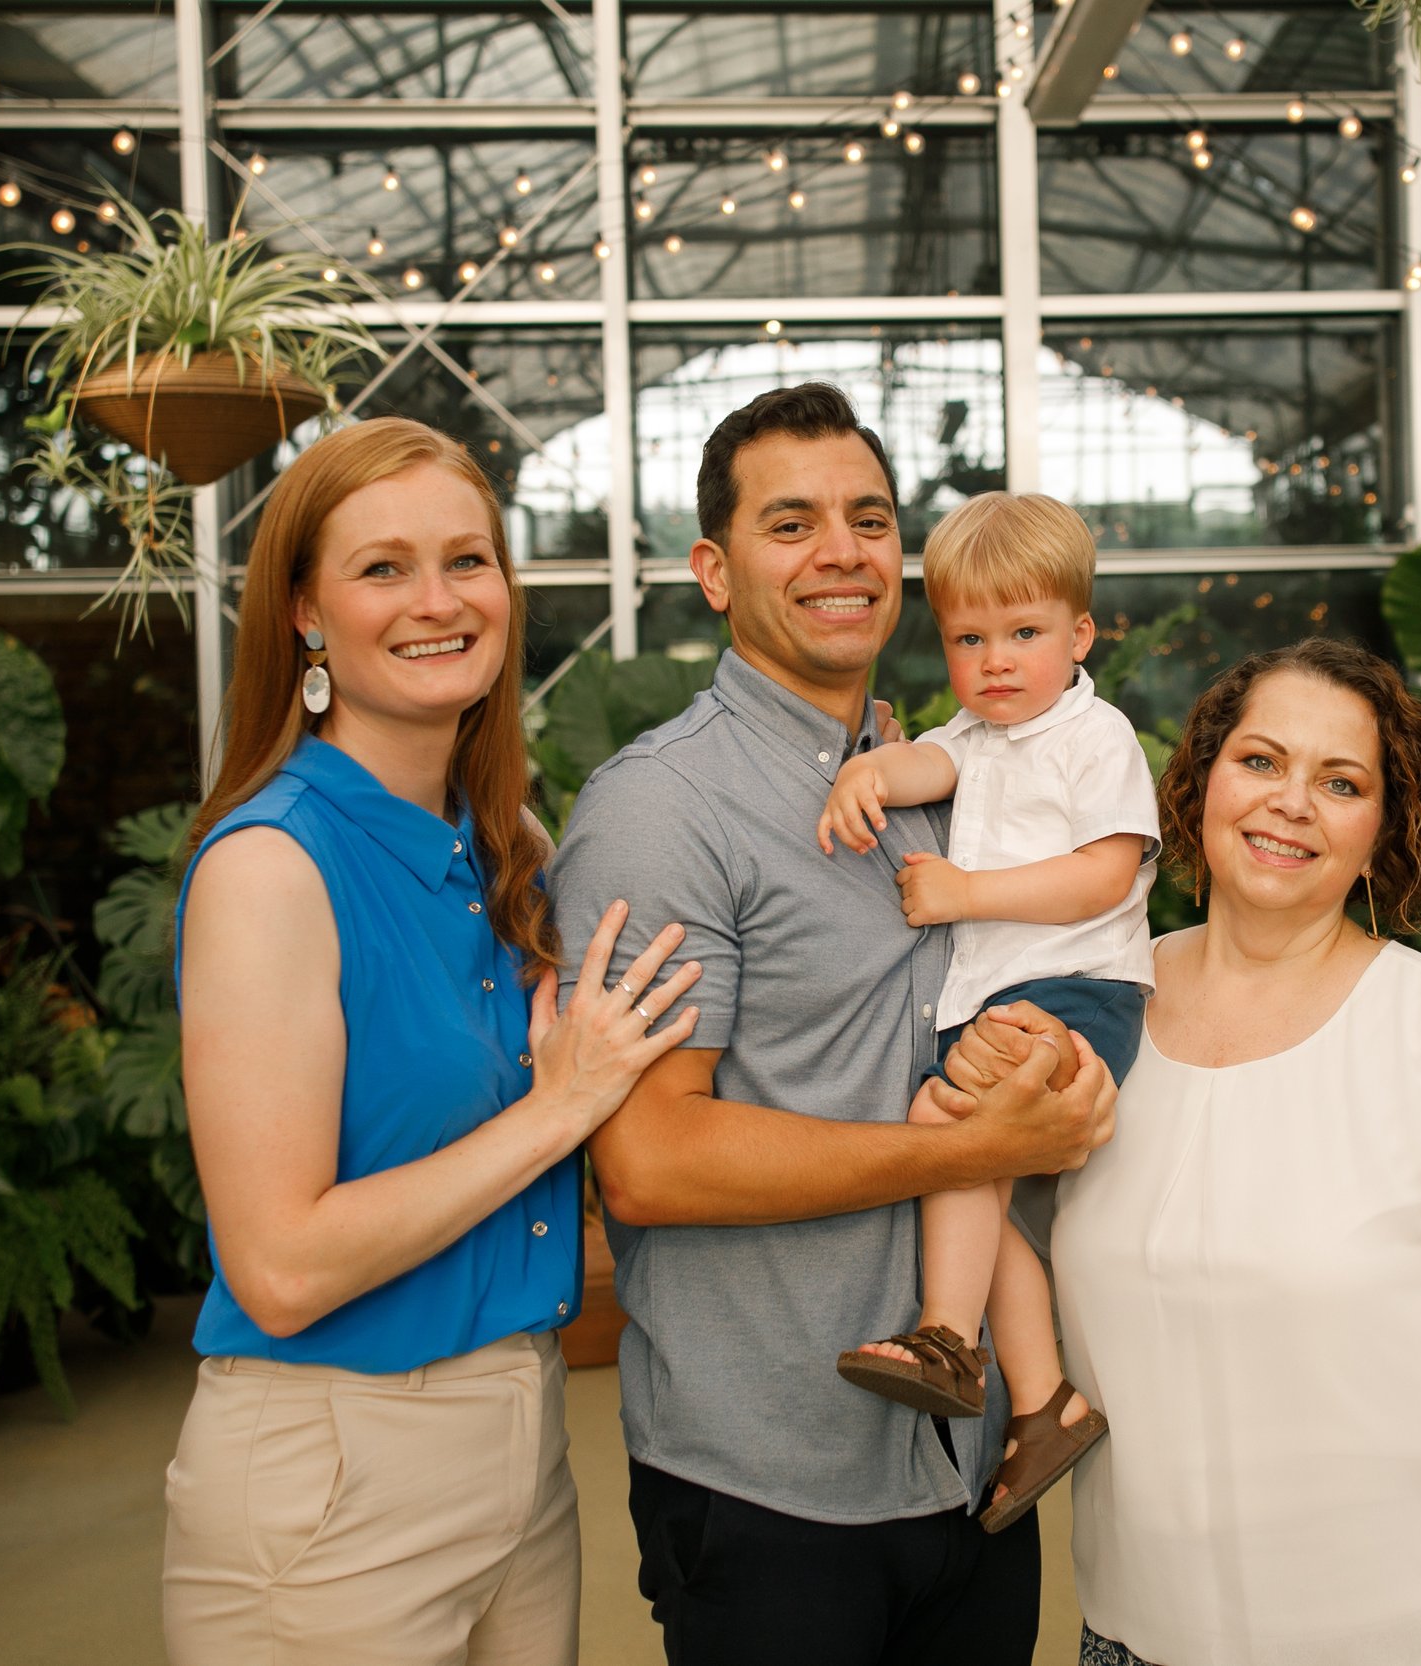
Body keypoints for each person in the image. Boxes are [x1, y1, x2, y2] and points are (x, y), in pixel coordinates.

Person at [547, 383, 1118, 1666]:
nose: (841, 551)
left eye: (867, 518)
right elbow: (648, 1162)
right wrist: (966, 1149)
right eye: (790, 523)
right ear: (713, 568)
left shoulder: (941, 781)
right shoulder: (665, 810)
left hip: (967, 1471)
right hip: (771, 1483)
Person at [161, 417, 703, 1665]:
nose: (438, 600)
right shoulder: (271, 865)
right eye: (383, 568)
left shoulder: (499, 832)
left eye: (468, 560)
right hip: (333, 1472)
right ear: (304, 613)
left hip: (520, 1440)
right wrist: (556, 1108)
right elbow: (282, 1267)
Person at [1051, 638, 1421, 1666]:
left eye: (1340, 782)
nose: (1290, 801)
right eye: (1259, 761)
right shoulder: (1101, 1009)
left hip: (1399, 1633)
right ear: (1200, 785)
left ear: (1382, 832)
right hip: (1132, 1632)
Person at [819, 491, 1158, 1533]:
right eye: (969, 638)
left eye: (1024, 634)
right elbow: (933, 758)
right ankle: (1043, 1393)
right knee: (961, 1154)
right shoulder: (980, 731)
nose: (997, 659)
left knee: (954, 1133)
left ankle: (945, 1339)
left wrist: (966, 893)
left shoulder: (1092, 735)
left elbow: (1104, 876)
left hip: (1077, 993)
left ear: (1079, 634)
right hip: (1000, 999)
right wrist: (870, 768)